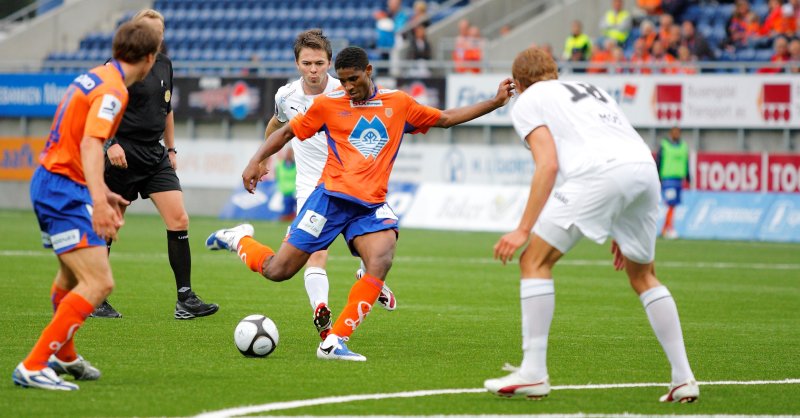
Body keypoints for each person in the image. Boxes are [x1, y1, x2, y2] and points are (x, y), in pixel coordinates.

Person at [207, 46, 514, 361]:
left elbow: (446, 118)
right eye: (342, 81)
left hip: (369, 206)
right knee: (278, 271)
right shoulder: (328, 104)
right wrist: (256, 160)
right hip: (329, 200)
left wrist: (494, 102)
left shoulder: (398, 103)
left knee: (381, 259)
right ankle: (239, 238)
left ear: (368, 71)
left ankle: (333, 342)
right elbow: (285, 132)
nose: (348, 87)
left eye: (353, 79)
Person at [484, 47, 698, 403]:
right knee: (643, 275)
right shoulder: (589, 89)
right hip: (644, 171)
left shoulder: (527, 100)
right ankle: (684, 378)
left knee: (533, 260)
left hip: (600, 174)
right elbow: (624, 145)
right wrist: (621, 217)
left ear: (519, 84)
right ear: (554, 71)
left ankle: (534, 373)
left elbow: (548, 165)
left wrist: (523, 229)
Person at [13, 21, 160, 391]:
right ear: (149, 57)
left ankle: (64, 356)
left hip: (58, 183)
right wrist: (97, 198)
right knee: (99, 281)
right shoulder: (115, 91)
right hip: (63, 189)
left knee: (70, 278)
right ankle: (33, 364)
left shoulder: (94, 76)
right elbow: (92, 144)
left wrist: (97, 190)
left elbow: (80, 139)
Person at [254, 30, 397, 340]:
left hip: (351, 180)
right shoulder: (286, 96)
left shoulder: (346, 89)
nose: (314, 70)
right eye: (307, 63)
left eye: (320, 63)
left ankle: (366, 274)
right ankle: (321, 311)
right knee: (315, 252)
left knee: (376, 244)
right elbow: (277, 124)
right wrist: (263, 157)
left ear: (330, 62)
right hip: (311, 186)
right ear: (297, 63)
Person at [98, 9, 218, 320]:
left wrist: (172, 148)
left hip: (155, 155)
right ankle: (94, 295)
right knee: (110, 225)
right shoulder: (118, 68)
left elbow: (167, 109)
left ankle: (185, 299)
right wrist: (111, 144)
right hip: (123, 154)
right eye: (149, 31)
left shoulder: (164, 63)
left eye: (159, 32)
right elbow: (102, 108)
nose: (155, 37)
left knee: (179, 218)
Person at [656, 126, 690, 239]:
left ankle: (665, 229)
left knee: (673, 205)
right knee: (670, 204)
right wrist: (657, 176)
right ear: (671, 133)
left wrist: (688, 177)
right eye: (674, 132)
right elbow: (659, 161)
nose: (676, 134)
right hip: (667, 178)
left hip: (678, 179)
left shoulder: (683, 146)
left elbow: (686, 162)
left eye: (678, 132)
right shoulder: (664, 145)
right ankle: (669, 228)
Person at [274, 146, 297, 222]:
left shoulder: (297, 165)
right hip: (284, 191)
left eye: (291, 153)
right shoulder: (280, 165)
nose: (289, 155)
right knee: (287, 206)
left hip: (295, 191)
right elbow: (277, 176)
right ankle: (286, 217)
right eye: (288, 153)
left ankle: (288, 217)